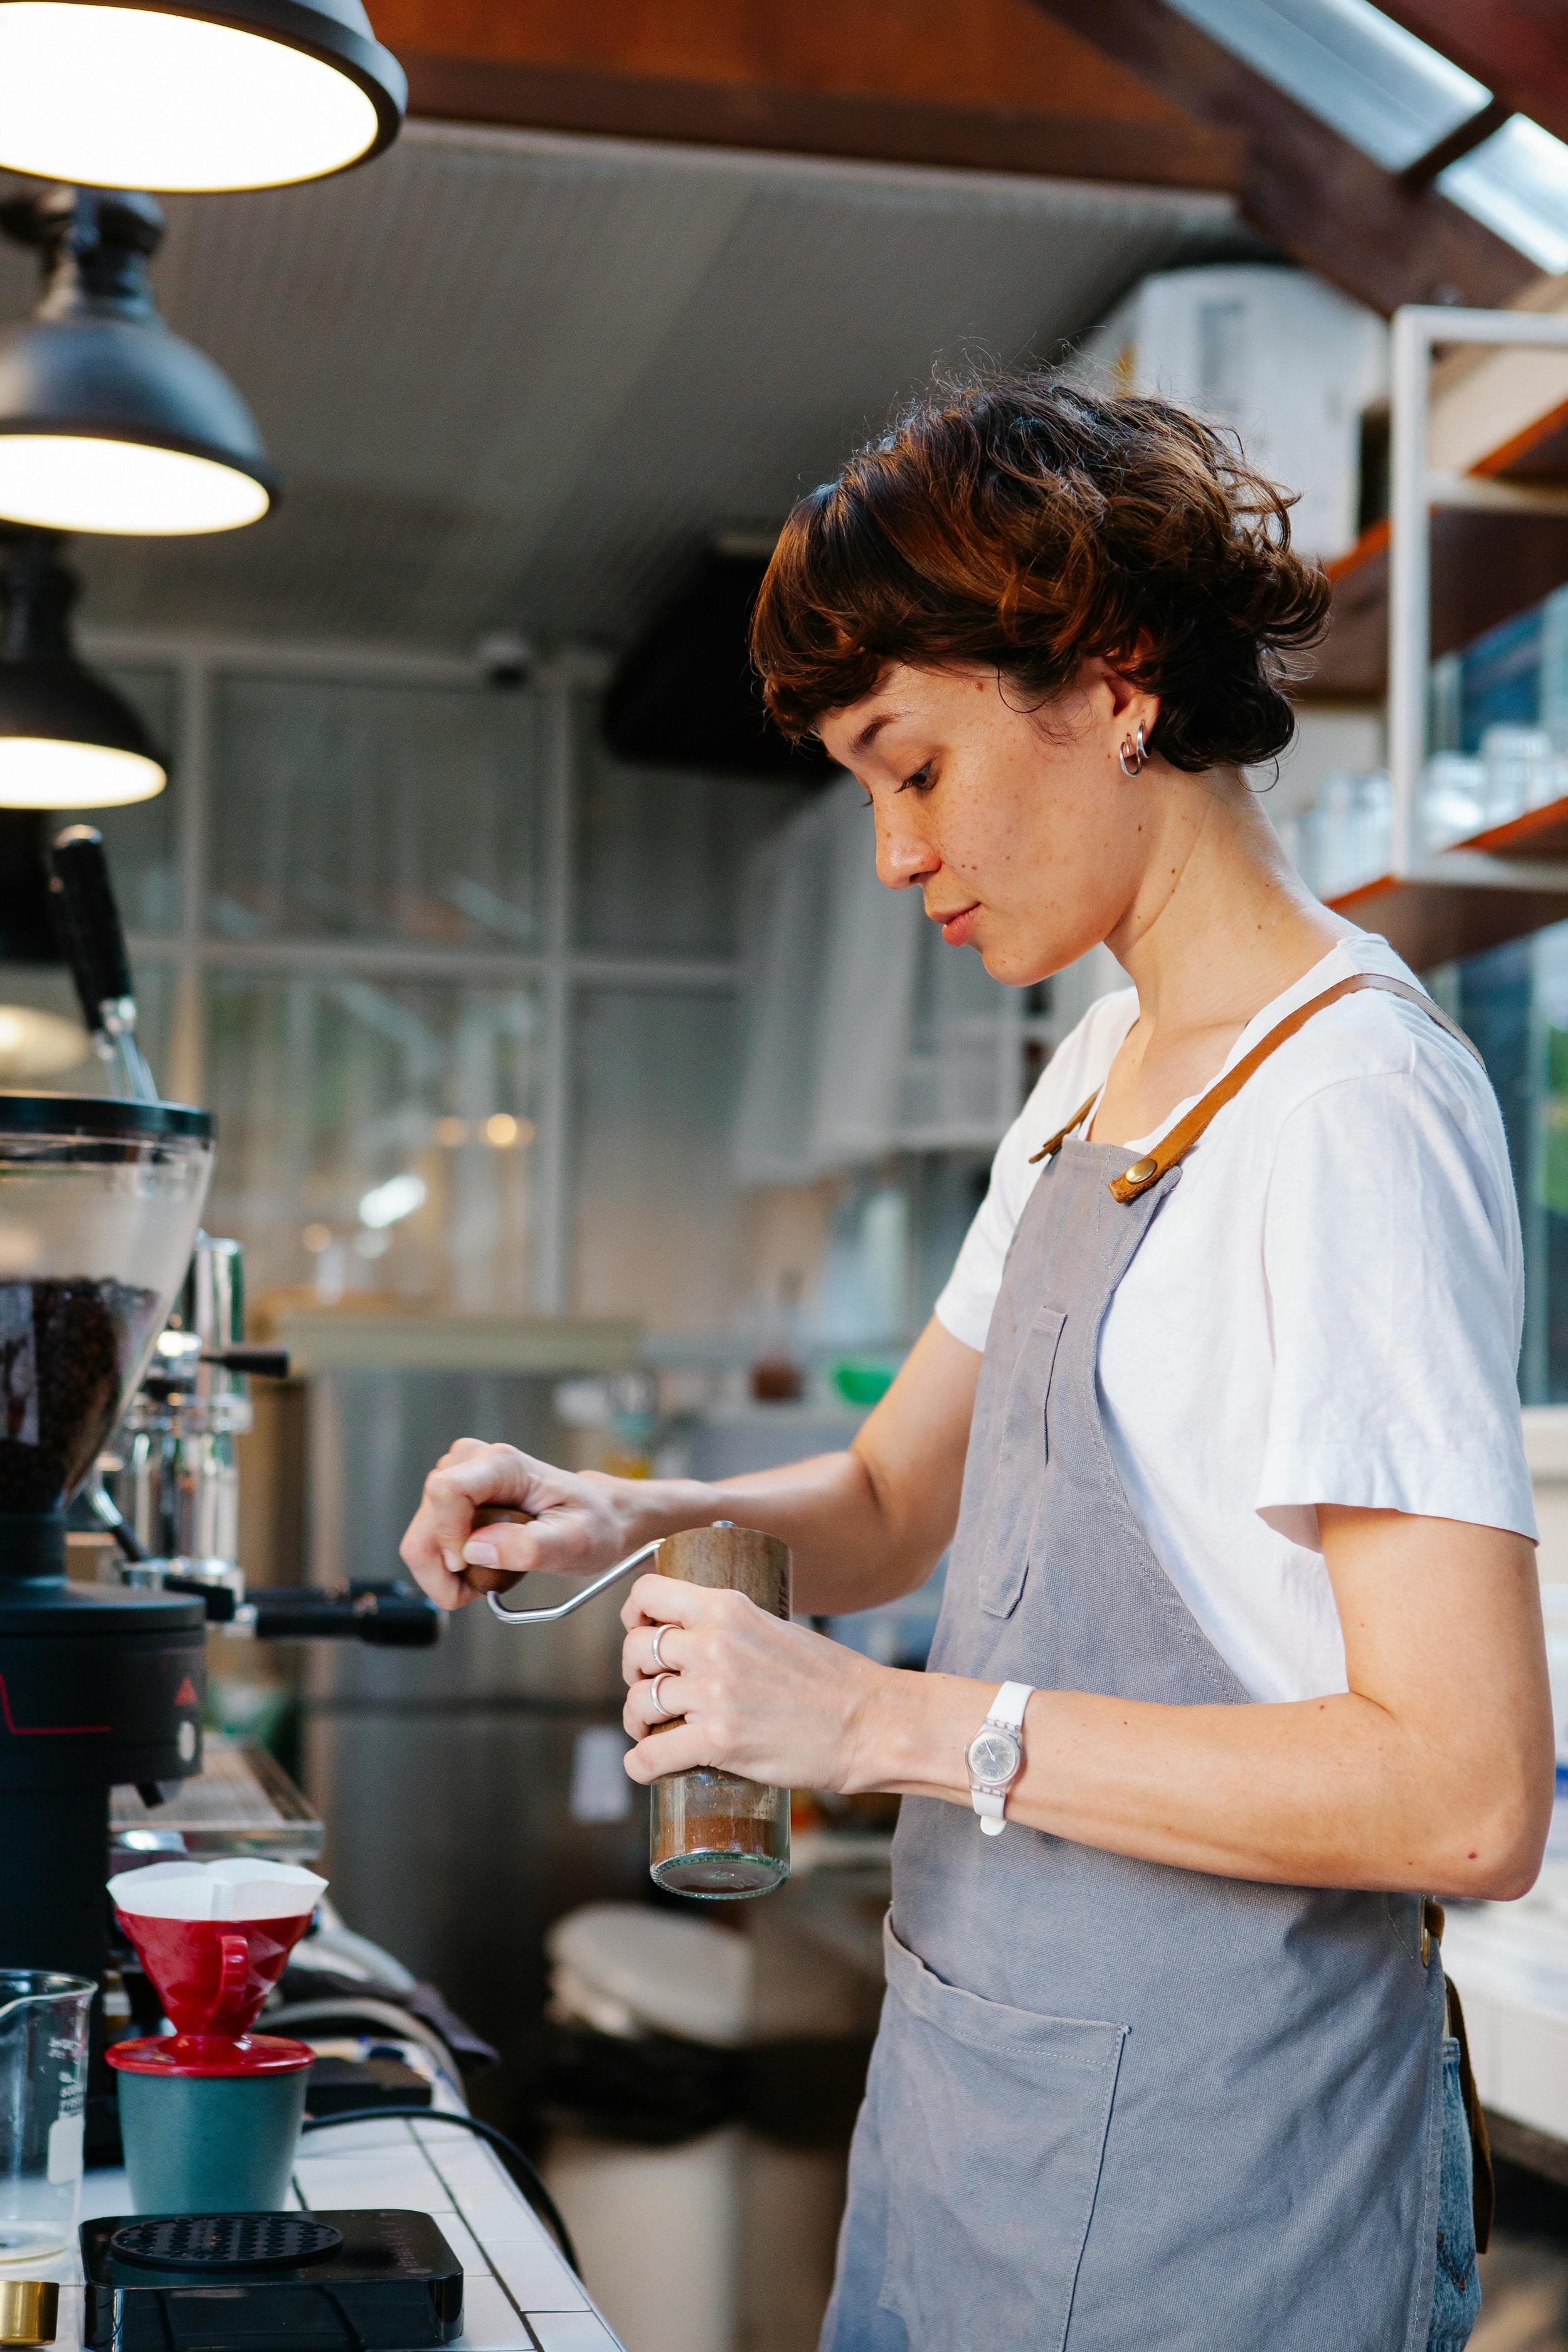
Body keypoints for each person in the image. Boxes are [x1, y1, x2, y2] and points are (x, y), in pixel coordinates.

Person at [400, 377, 1553, 2352]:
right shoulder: (1092, 1066)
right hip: (976, 2122)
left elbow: (1460, 1796)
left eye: (910, 768)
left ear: (1109, 684)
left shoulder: (1349, 1105)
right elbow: (882, 1502)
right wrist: (632, 1517)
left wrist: (883, 1728)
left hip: (1223, 2184)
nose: (888, 852)